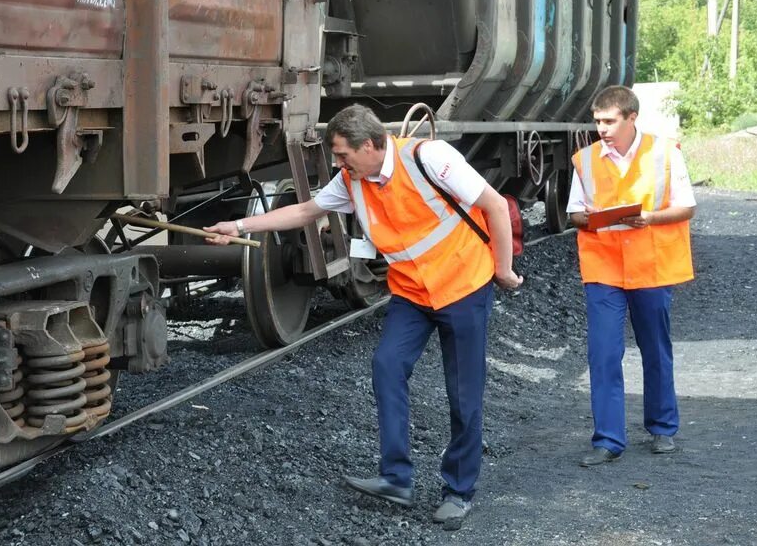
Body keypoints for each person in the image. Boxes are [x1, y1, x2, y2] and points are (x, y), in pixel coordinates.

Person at [204, 104, 522, 528]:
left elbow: (496, 206)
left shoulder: (431, 158)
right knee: (386, 366)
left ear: (371, 145)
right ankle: (397, 478)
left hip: (463, 287)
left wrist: (502, 270)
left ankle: (459, 491)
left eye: (342, 155)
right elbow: (305, 211)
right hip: (412, 292)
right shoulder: (355, 179)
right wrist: (239, 226)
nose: (339, 164)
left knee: (463, 393)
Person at [566, 85, 696, 467]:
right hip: (603, 267)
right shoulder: (585, 160)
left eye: (609, 121)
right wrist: (592, 220)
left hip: (651, 266)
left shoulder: (665, 152)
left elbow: (686, 207)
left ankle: (662, 429)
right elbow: (574, 213)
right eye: (597, 121)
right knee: (603, 352)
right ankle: (607, 440)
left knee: (655, 348)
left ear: (631, 118)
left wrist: (649, 218)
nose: (601, 128)